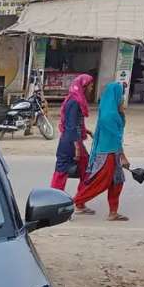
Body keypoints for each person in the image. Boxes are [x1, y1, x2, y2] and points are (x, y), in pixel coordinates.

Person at [73, 80, 130, 221]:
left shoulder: (112, 112)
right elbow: (115, 138)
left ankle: (113, 212)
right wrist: (123, 156)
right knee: (100, 183)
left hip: (112, 152)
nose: (122, 99)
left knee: (117, 182)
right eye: (121, 96)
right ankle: (73, 203)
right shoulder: (109, 115)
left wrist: (122, 113)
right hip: (107, 153)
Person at [50, 73, 93, 201]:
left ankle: (78, 200)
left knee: (82, 169)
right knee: (63, 171)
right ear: (84, 86)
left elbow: (73, 122)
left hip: (70, 139)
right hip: (71, 142)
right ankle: (56, 200)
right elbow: (71, 125)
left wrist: (86, 131)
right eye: (90, 86)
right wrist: (77, 147)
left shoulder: (75, 99)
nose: (91, 89)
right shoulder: (75, 102)